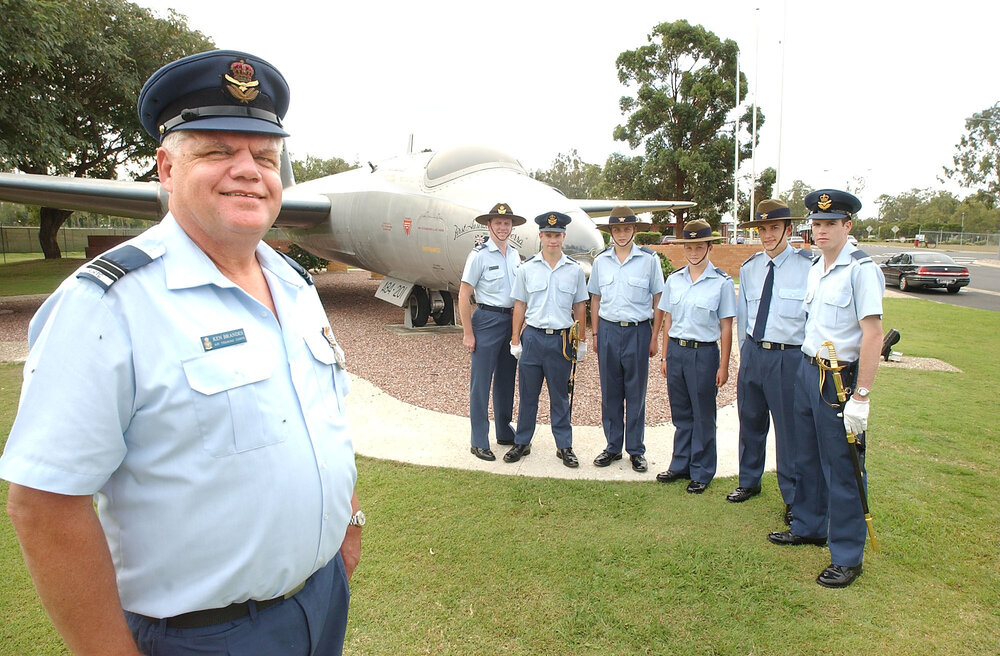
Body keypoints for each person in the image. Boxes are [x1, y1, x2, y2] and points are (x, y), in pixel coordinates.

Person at [0, 50, 361, 655]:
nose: (249, 170)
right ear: (166, 168)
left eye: (265, 156)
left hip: (321, 601)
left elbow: (324, 418)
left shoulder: (294, 284)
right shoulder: (107, 305)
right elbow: (43, 507)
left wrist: (348, 525)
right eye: (219, 151)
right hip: (204, 635)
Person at [766, 189, 884, 589]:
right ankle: (810, 525)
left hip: (838, 379)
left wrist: (861, 396)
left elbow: (873, 335)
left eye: (830, 223)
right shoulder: (817, 266)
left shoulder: (861, 270)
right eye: (817, 223)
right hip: (806, 368)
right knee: (806, 456)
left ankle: (848, 555)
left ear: (847, 226)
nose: (822, 230)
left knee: (843, 467)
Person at [728, 199, 813, 524]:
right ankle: (749, 481)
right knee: (750, 421)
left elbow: (809, 319)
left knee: (789, 431)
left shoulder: (807, 268)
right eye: (762, 229)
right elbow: (745, 316)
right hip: (754, 353)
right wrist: (744, 354)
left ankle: (792, 496)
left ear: (788, 230)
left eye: (773, 228)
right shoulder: (750, 268)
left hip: (788, 358)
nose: (766, 235)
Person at [655, 219, 736, 493]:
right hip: (677, 352)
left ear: (709, 247)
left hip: (704, 354)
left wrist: (723, 366)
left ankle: (702, 470)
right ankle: (680, 465)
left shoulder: (721, 283)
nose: (693, 251)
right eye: (689, 246)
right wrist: (665, 356)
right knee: (681, 413)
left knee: (703, 415)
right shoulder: (674, 280)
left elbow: (726, 327)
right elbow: (668, 319)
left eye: (699, 246)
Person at [505, 211, 589, 468]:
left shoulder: (574, 270)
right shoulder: (527, 268)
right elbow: (519, 305)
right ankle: (522, 441)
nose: (552, 240)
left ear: (564, 237)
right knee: (528, 395)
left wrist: (582, 341)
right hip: (533, 338)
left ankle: (564, 446)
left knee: (560, 397)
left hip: (561, 341)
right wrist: (515, 339)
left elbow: (580, 307)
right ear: (540, 236)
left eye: (557, 235)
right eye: (548, 235)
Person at [588, 206, 664, 473]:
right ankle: (612, 447)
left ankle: (636, 450)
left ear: (634, 230)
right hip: (608, 330)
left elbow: (658, 299)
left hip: (638, 331)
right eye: (617, 229)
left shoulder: (649, 260)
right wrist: (595, 334)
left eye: (627, 228)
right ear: (611, 232)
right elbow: (595, 299)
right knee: (610, 392)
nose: (622, 234)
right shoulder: (601, 261)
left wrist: (655, 336)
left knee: (636, 393)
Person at [458, 202, 525, 461]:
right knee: (481, 383)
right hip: (486, 319)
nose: (502, 227)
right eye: (498, 223)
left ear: (511, 226)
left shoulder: (515, 254)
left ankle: (504, 430)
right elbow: (464, 294)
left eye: (507, 223)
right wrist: (468, 332)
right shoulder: (478, 255)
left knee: (506, 379)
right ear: (489, 225)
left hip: (511, 321)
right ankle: (478, 440)